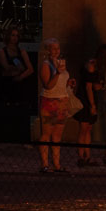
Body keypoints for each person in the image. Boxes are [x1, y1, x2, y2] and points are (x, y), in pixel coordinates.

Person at [37, 38, 72, 174]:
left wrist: (69, 83)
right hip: (49, 101)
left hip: (62, 102)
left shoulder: (60, 63)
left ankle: (57, 164)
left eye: (58, 48)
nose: (57, 51)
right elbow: (48, 85)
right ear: (48, 51)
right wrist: (57, 73)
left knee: (57, 134)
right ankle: (44, 164)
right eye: (54, 48)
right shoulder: (46, 65)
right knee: (46, 134)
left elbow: (62, 81)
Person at [73, 47, 106, 166]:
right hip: (85, 99)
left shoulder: (97, 66)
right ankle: (80, 157)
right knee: (83, 129)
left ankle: (87, 157)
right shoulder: (91, 65)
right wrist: (92, 105)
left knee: (88, 129)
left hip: (91, 98)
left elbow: (95, 87)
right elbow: (88, 87)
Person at [0, 27, 35, 104]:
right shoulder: (2, 52)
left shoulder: (22, 52)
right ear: (8, 36)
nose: (15, 38)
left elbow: (30, 69)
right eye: (13, 35)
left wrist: (20, 77)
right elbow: (7, 68)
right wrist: (19, 69)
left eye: (17, 36)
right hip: (7, 83)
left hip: (21, 83)